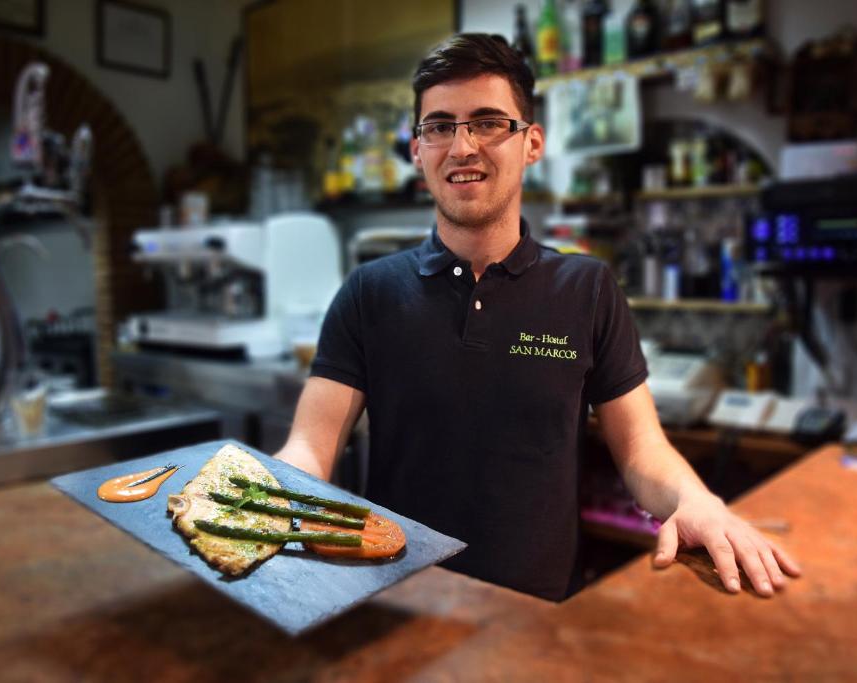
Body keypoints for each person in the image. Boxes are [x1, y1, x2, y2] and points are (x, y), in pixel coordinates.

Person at [276, 33, 800, 601]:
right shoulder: (369, 291)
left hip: (540, 611)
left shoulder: (587, 287)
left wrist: (697, 501)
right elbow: (311, 446)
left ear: (531, 144)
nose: (462, 146)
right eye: (440, 126)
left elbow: (642, 448)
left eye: (488, 122)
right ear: (417, 150)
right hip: (398, 604)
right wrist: (267, 496)